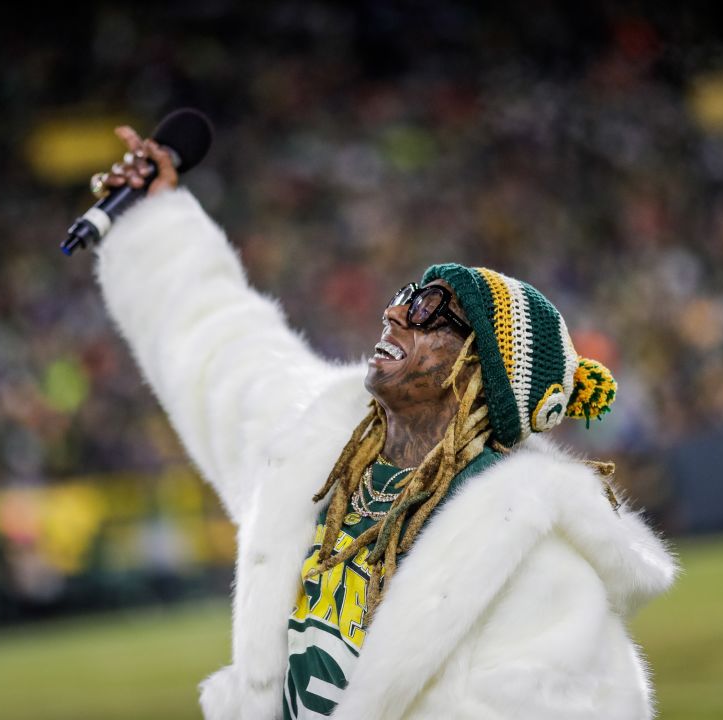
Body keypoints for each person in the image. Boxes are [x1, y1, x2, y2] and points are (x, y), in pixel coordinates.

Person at [92, 126, 678, 719]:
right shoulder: (321, 451)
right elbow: (225, 354)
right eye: (406, 293)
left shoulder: (534, 560)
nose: (396, 310)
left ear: (483, 374)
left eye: (430, 310)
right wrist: (155, 219)